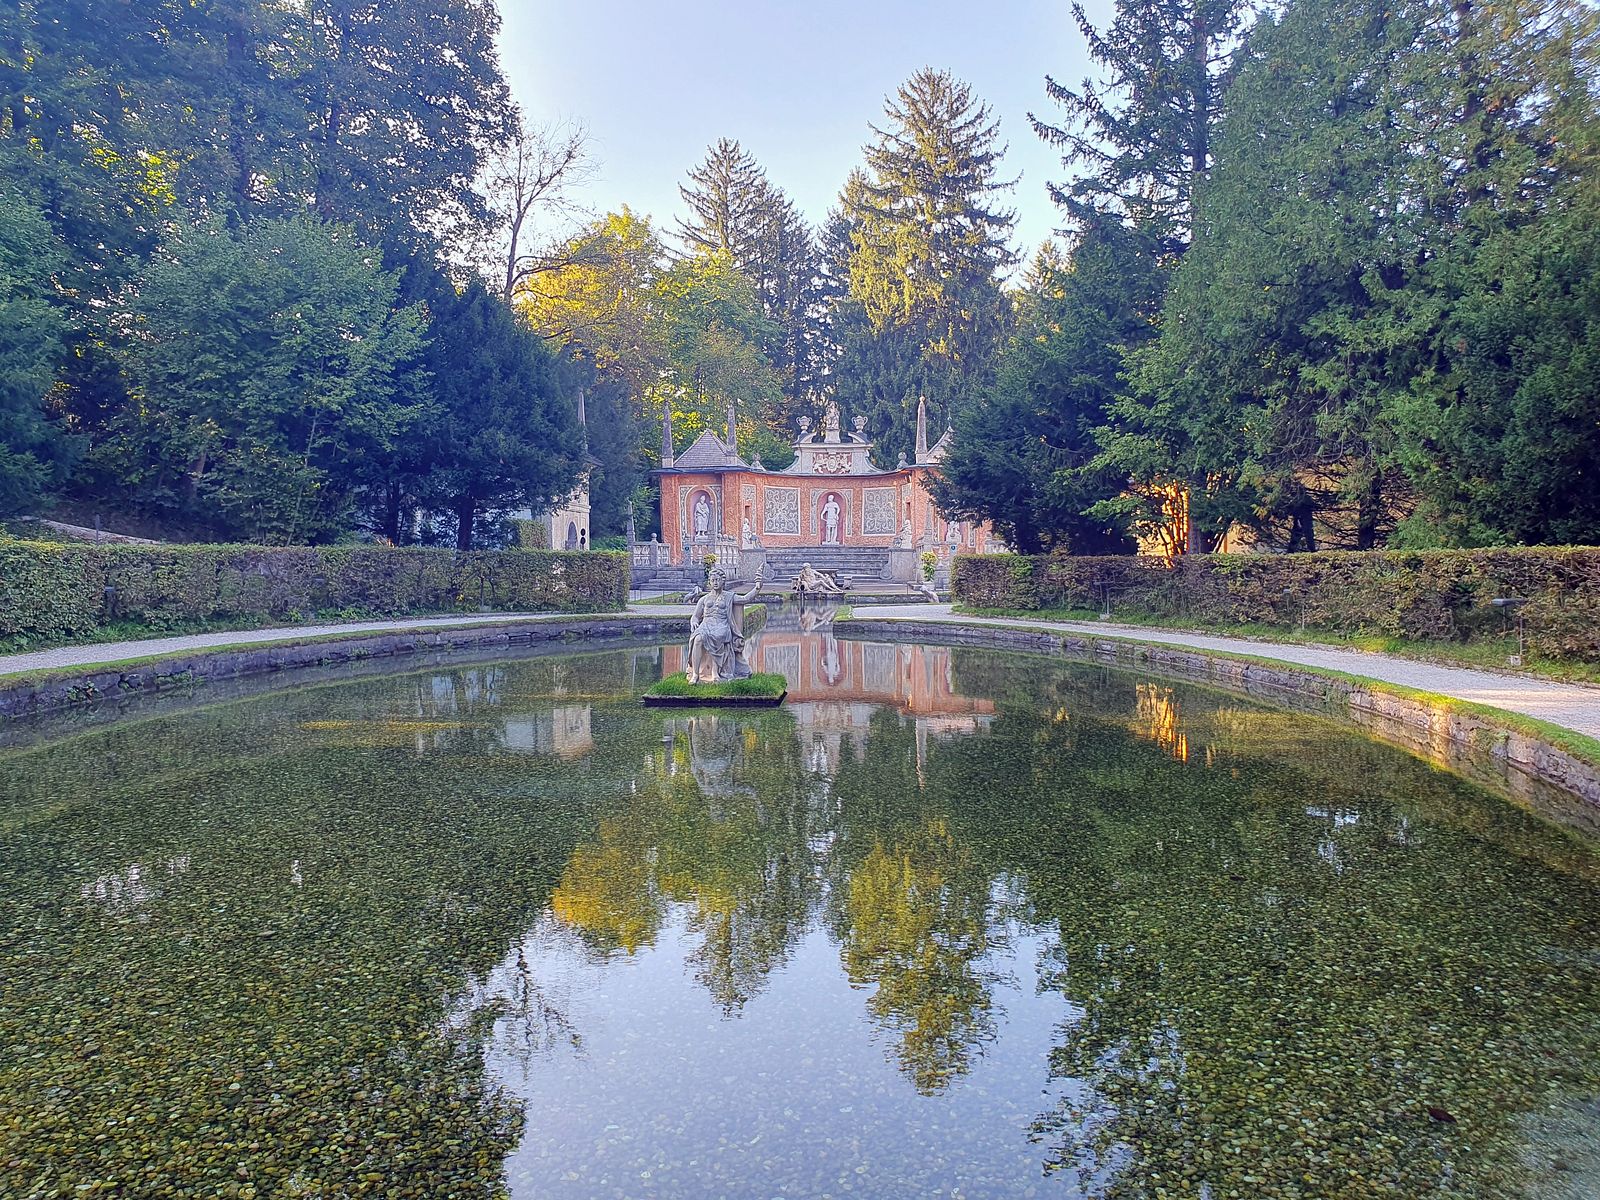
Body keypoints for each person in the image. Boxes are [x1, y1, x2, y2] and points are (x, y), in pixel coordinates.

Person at [685, 567, 763, 683]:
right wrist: (694, 622)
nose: (715, 583)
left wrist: (757, 587)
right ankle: (695, 674)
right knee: (697, 639)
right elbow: (695, 616)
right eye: (713, 580)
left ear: (723, 581)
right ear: (710, 582)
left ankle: (715, 672)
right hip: (706, 624)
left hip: (722, 624)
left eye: (717, 580)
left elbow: (745, 599)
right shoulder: (704, 599)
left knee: (719, 636)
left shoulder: (729, 596)